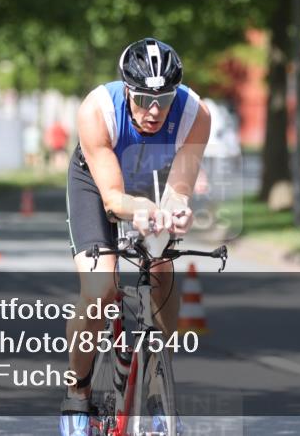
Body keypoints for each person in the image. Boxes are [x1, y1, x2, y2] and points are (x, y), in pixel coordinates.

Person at [60, 38, 211, 436]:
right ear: (127, 89)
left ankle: (159, 385)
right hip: (99, 182)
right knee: (99, 290)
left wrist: (177, 211)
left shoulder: (196, 114)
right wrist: (141, 211)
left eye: (164, 98)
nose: (154, 110)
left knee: (162, 264)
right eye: (143, 99)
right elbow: (112, 200)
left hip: (152, 180)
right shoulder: (97, 110)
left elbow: (179, 188)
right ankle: (77, 393)